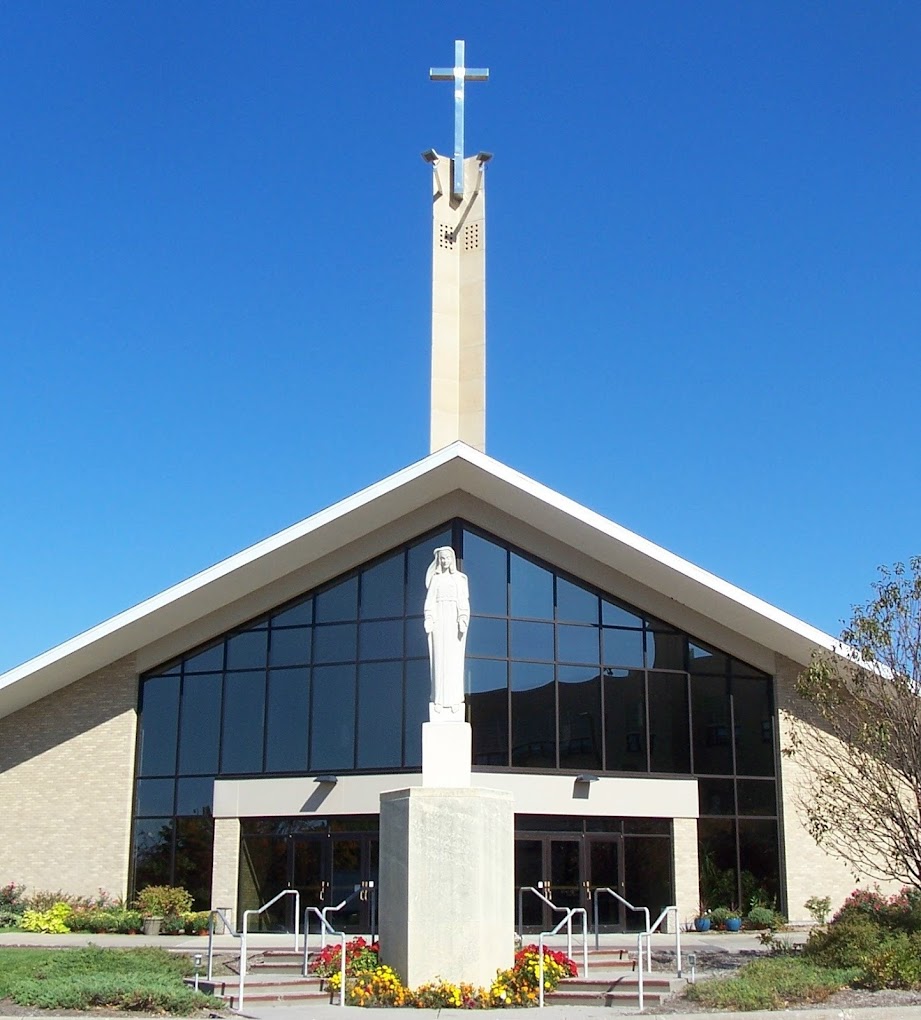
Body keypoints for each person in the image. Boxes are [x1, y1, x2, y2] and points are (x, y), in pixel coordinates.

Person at [423, 547, 470, 718]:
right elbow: (429, 603)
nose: (444, 561)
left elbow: (463, 602)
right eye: (442, 559)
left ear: (452, 560)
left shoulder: (458, 579)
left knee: (454, 662)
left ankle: (454, 701)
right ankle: (439, 701)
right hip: (439, 624)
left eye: (447, 558)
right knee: (439, 661)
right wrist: (429, 618)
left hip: (453, 623)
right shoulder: (436, 580)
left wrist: (463, 618)